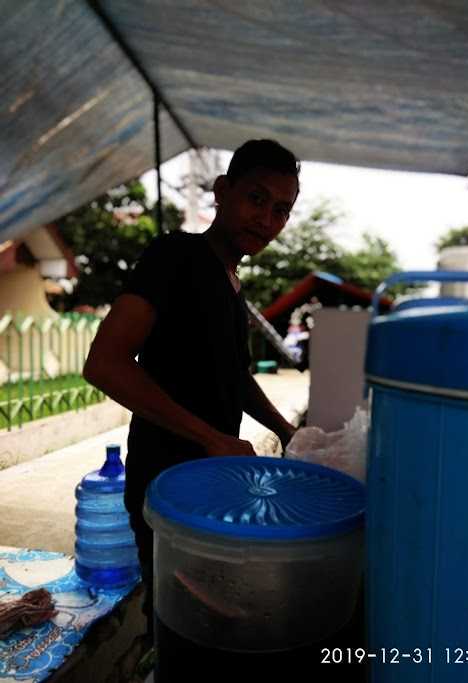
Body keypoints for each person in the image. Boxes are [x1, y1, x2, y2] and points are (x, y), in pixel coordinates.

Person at [82, 139, 301, 638]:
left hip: (210, 480)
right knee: (178, 620)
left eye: (281, 210)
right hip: (166, 482)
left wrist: (285, 429)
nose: (267, 218)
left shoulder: (231, 282)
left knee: (211, 616)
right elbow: (105, 363)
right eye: (257, 198)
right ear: (222, 192)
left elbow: (234, 378)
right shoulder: (175, 254)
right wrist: (210, 437)